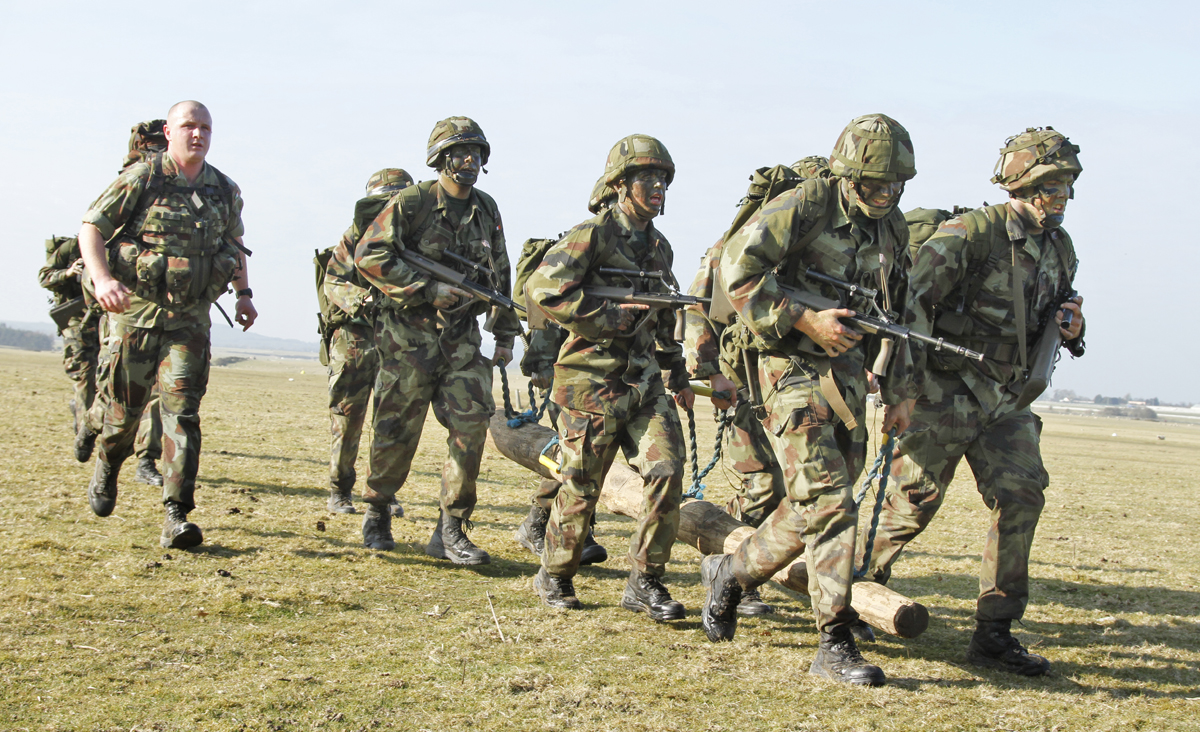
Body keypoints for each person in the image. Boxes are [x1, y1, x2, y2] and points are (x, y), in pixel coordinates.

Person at [699, 114, 921, 687]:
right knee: (828, 499)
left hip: (843, 373)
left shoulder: (891, 229)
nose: (885, 196)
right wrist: (803, 318)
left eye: (896, 186)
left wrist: (899, 389)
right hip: (784, 365)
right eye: (874, 185)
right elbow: (736, 271)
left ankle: (732, 572)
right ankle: (834, 640)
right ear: (848, 177)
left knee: (816, 500)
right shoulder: (805, 205)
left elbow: (898, 312)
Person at [864, 127, 1086, 676]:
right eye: (1049, 188)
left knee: (1021, 496)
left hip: (1005, 400)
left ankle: (994, 632)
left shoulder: (1060, 248)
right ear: (1021, 183)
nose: (1059, 199)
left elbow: (1048, 321)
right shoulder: (970, 234)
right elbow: (909, 310)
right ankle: (847, 599)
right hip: (943, 389)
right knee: (909, 503)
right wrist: (903, 392)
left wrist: (1074, 329)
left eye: (1066, 188)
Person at [526, 134, 695, 621]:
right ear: (621, 185)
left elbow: (665, 319)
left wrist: (678, 372)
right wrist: (607, 317)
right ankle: (555, 573)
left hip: (643, 385)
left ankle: (645, 581)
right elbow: (543, 287)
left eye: (663, 180)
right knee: (582, 484)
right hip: (589, 384)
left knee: (666, 471)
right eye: (648, 179)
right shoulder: (592, 234)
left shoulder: (660, 247)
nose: (658, 188)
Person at [76, 100, 256, 549]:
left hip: (190, 319)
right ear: (170, 131)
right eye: (188, 126)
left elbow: (235, 244)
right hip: (137, 313)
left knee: (183, 412)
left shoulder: (224, 189)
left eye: (205, 128)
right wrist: (102, 280)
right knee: (124, 413)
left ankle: (176, 513)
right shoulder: (143, 178)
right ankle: (109, 463)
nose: (197, 135)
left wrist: (245, 295)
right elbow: (91, 228)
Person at [354, 117, 519, 565]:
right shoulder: (413, 202)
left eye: (477, 153)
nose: (470, 160)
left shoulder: (486, 209)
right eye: (461, 152)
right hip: (408, 340)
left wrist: (504, 333)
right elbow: (369, 254)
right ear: (441, 158)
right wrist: (427, 290)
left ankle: (450, 530)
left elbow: (500, 274)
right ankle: (377, 510)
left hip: (462, 341)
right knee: (395, 430)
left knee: (470, 427)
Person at [512, 174, 614, 566]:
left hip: (599, 370)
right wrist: (538, 363)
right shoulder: (582, 245)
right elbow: (546, 313)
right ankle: (548, 528)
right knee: (573, 450)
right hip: (564, 367)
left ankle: (549, 524)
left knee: (579, 451)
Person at [321, 168, 414, 515]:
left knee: (390, 423)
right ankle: (339, 490)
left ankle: (381, 494)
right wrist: (367, 301)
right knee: (347, 419)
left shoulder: (413, 238)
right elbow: (334, 283)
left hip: (398, 341)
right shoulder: (356, 236)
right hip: (355, 340)